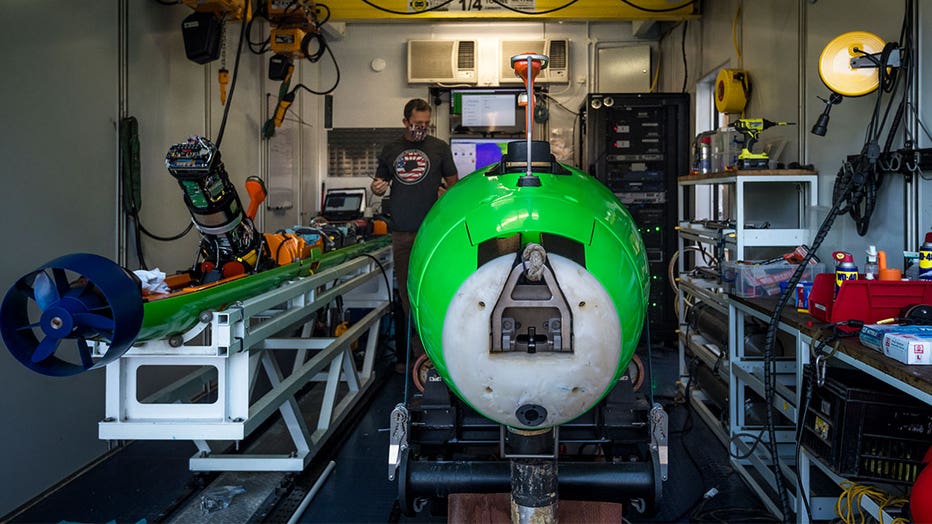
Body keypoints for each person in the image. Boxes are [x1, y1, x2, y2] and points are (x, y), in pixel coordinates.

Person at [370, 98, 458, 373]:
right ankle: (422, 357)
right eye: (417, 124)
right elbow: (379, 186)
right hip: (403, 234)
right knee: (408, 297)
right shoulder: (391, 149)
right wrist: (377, 188)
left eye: (426, 124)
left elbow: (454, 186)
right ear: (405, 121)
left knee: (434, 292)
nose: (422, 129)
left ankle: (439, 354)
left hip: (432, 234)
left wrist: (446, 194)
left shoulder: (439, 149)